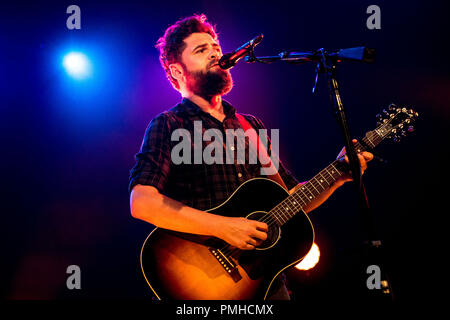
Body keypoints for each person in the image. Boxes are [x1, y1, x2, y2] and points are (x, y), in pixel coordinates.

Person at [128, 14, 373, 300]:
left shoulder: (251, 125)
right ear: (178, 71)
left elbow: (292, 198)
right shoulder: (168, 124)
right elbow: (142, 202)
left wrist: (338, 176)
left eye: (215, 47)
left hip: (265, 282)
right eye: (201, 50)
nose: (215, 53)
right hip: (202, 282)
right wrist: (224, 227)